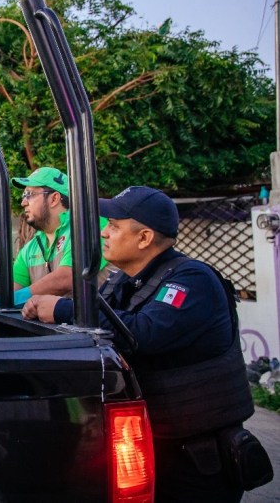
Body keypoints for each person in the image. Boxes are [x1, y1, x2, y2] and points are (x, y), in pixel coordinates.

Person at [23, 186, 256, 501]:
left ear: (145, 238)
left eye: (115, 226)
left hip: (198, 460)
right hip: (152, 448)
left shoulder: (192, 280)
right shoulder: (125, 280)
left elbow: (142, 334)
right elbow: (93, 333)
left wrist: (62, 307)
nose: (104, 233)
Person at [0, 166, 110, 307]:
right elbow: (10, 289)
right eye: (23, 196)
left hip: (100, 325)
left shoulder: (88, 227)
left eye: (29, 194)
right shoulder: (32, 247)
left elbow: (66, 279)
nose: (23, 203)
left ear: (54, 199)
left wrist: (6, 302)